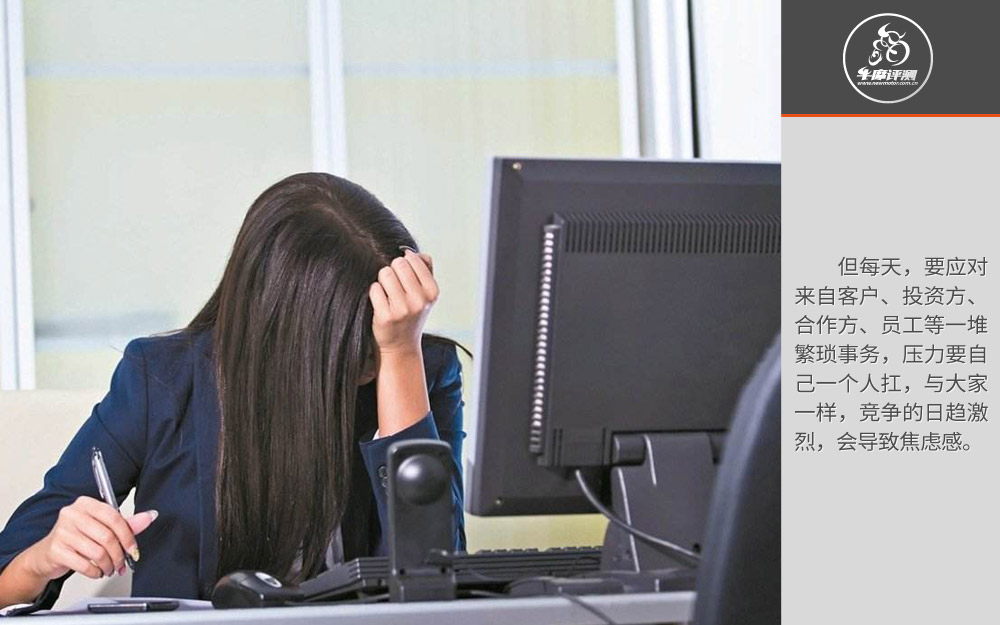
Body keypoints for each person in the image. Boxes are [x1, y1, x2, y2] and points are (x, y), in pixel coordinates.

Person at [0, 173, 466, 608]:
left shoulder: (415, 370)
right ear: (280, 329)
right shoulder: (161, 380)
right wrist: (44, 557)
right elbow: (6, 576)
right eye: (352, 345)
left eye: (380, 336)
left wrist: (399, 354)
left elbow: (434, 582)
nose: (368, 367)